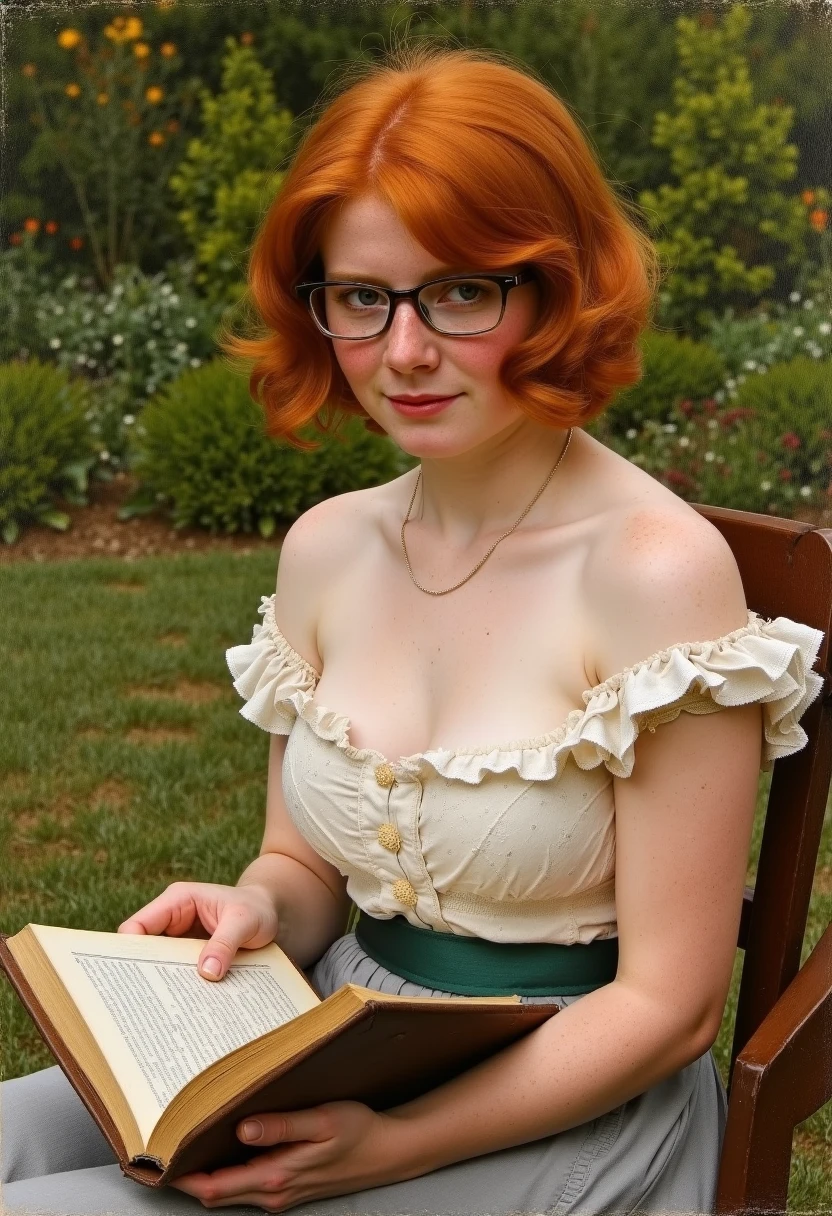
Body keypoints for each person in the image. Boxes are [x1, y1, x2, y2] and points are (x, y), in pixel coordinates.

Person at [2, 42, 826, 1216]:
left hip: (570, 1099)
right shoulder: (327, 549)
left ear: (558, 285)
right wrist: (259, 906)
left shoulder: (654, 576)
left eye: (460, 290)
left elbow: (670, 1008)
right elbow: (302, 866)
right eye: (361, 297)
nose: (403, 351)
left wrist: (391, 1146)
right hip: (341, 1034)